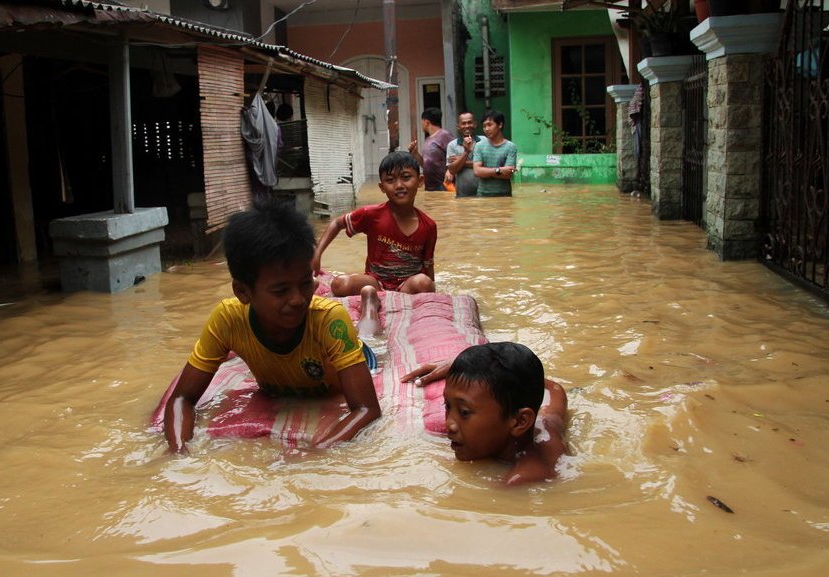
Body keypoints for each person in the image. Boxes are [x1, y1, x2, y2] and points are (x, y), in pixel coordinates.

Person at [163, 197, 381, 453]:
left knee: (369, 334)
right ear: (243, 292)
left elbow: (367, 409)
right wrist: (178, 452)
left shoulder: (329, 319)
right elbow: (182, 399)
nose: (298, 299)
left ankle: (369, 301)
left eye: (305, 283)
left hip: (355, 358)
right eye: (280, 291)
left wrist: (314, 451)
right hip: (292, 374)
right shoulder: (227, 319)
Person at [400, 342, 568, 486]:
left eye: (464, 412)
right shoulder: (546, 421)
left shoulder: (525, 476)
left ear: (519, 422)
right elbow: (554, 389)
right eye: (447, 406)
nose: (449, 424)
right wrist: (469, 372)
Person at [312, 151, 437, 329]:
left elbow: (428, 264)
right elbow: (337, 224)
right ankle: (370, 297)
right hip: (375, 281)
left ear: (420, 181)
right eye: (390, 180)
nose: (399, 185)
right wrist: (317, 254)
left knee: (424, 282)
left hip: (406, 285)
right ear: (382, 187)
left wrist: (432, 293)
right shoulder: (371, 215)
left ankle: (374, 299)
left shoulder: (428, 226)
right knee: (339, 284)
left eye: (406, 177)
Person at [472, 110, 518, 197]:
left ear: (500, 125)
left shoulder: (511, 147)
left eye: (489, 125)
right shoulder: (479, 146)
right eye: (484, 126)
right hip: (483, 194)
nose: (486, 129)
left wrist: (485, 172)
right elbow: (477, 171)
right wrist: (499, 170)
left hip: (504, 195)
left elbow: (508, 174)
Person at [408, 107, 456, 191]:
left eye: (422, 122)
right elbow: (425, 164)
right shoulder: (427, 140)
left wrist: (450, 171)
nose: (421, 124)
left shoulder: (444, 135)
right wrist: (415, 153)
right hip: (430, 187)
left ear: (426, 122)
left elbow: (456, 156)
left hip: (444, 186)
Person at [445, 111, 487, 198]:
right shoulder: (452, 145)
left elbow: (488, 164)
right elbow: (452, 170)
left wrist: (461, 161)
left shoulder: (484, 141)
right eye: (463, 123)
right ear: (458, 127)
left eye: (470, 122)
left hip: (484, 194)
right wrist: (466, 152)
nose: (467, 126)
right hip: (462, 195)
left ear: (475, 124)